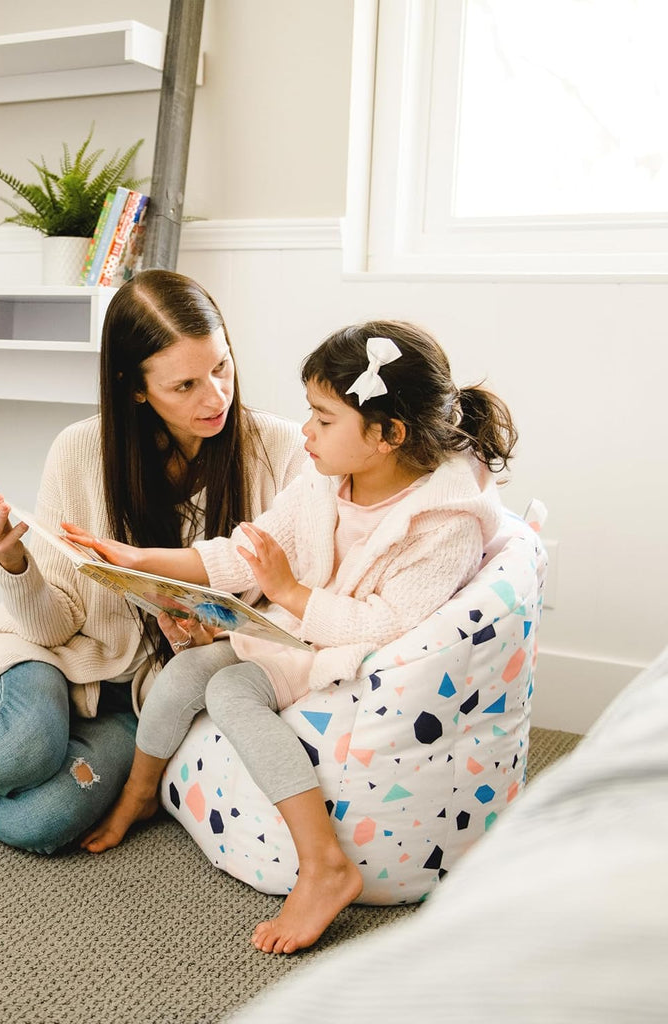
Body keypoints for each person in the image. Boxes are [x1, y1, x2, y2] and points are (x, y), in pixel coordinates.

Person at [66, 319, 518, 955]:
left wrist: (289, 595)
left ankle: (324, 863)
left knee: (228, 692)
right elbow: (246, 553)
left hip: (354, 662)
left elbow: (389, 626)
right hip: (298, 635)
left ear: (387, 435)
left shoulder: (444, 523)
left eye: (324, 419)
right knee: (181, 677)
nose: (304, 431)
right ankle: (139, 794)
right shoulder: (327, 481)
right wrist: (139, 560)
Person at [0, 269, 306, 855]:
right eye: (185, 385)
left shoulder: (282, 451)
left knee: (42, 822)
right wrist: (14, 563)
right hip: (54, 653)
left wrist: (204, 643)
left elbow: (282, 612)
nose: (215, 396)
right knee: (22, 750)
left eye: (221, 367)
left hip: (149, 700)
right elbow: (53, 627)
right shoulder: (79, 451)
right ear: (137, 389)